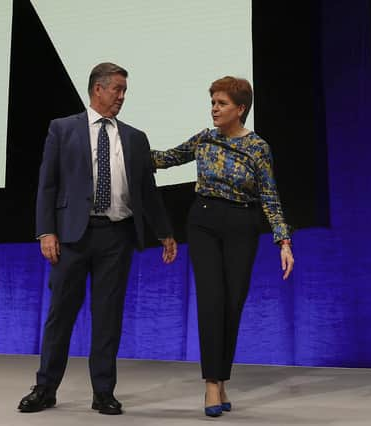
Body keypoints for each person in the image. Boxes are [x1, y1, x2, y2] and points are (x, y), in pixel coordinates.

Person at [18, 62, 177, 415]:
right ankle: (45, 388)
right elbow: (48, 184)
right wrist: (46, 230)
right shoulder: (62, 129)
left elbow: (147, 192)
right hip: (73, 237)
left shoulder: (135, 137)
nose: (122, 96)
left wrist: (165, 232)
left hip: (116, 237)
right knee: (61, 315)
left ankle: (103, 392)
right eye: (117, 89)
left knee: (108, 317)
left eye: (124, 90)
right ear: (97, 90)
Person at [151, 76, 294, 417]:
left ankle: (221, 376)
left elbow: (270, 197)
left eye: (222, 103)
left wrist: (283, 240)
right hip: (203, 222)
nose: (214, 109)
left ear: (240, 109)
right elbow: (165, 158)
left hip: (242, 225)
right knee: (212, 302)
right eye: (213, 103)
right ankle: (212, 385)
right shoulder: (204, 139)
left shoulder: (257, 147)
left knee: (232, 304)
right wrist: (125, 147)